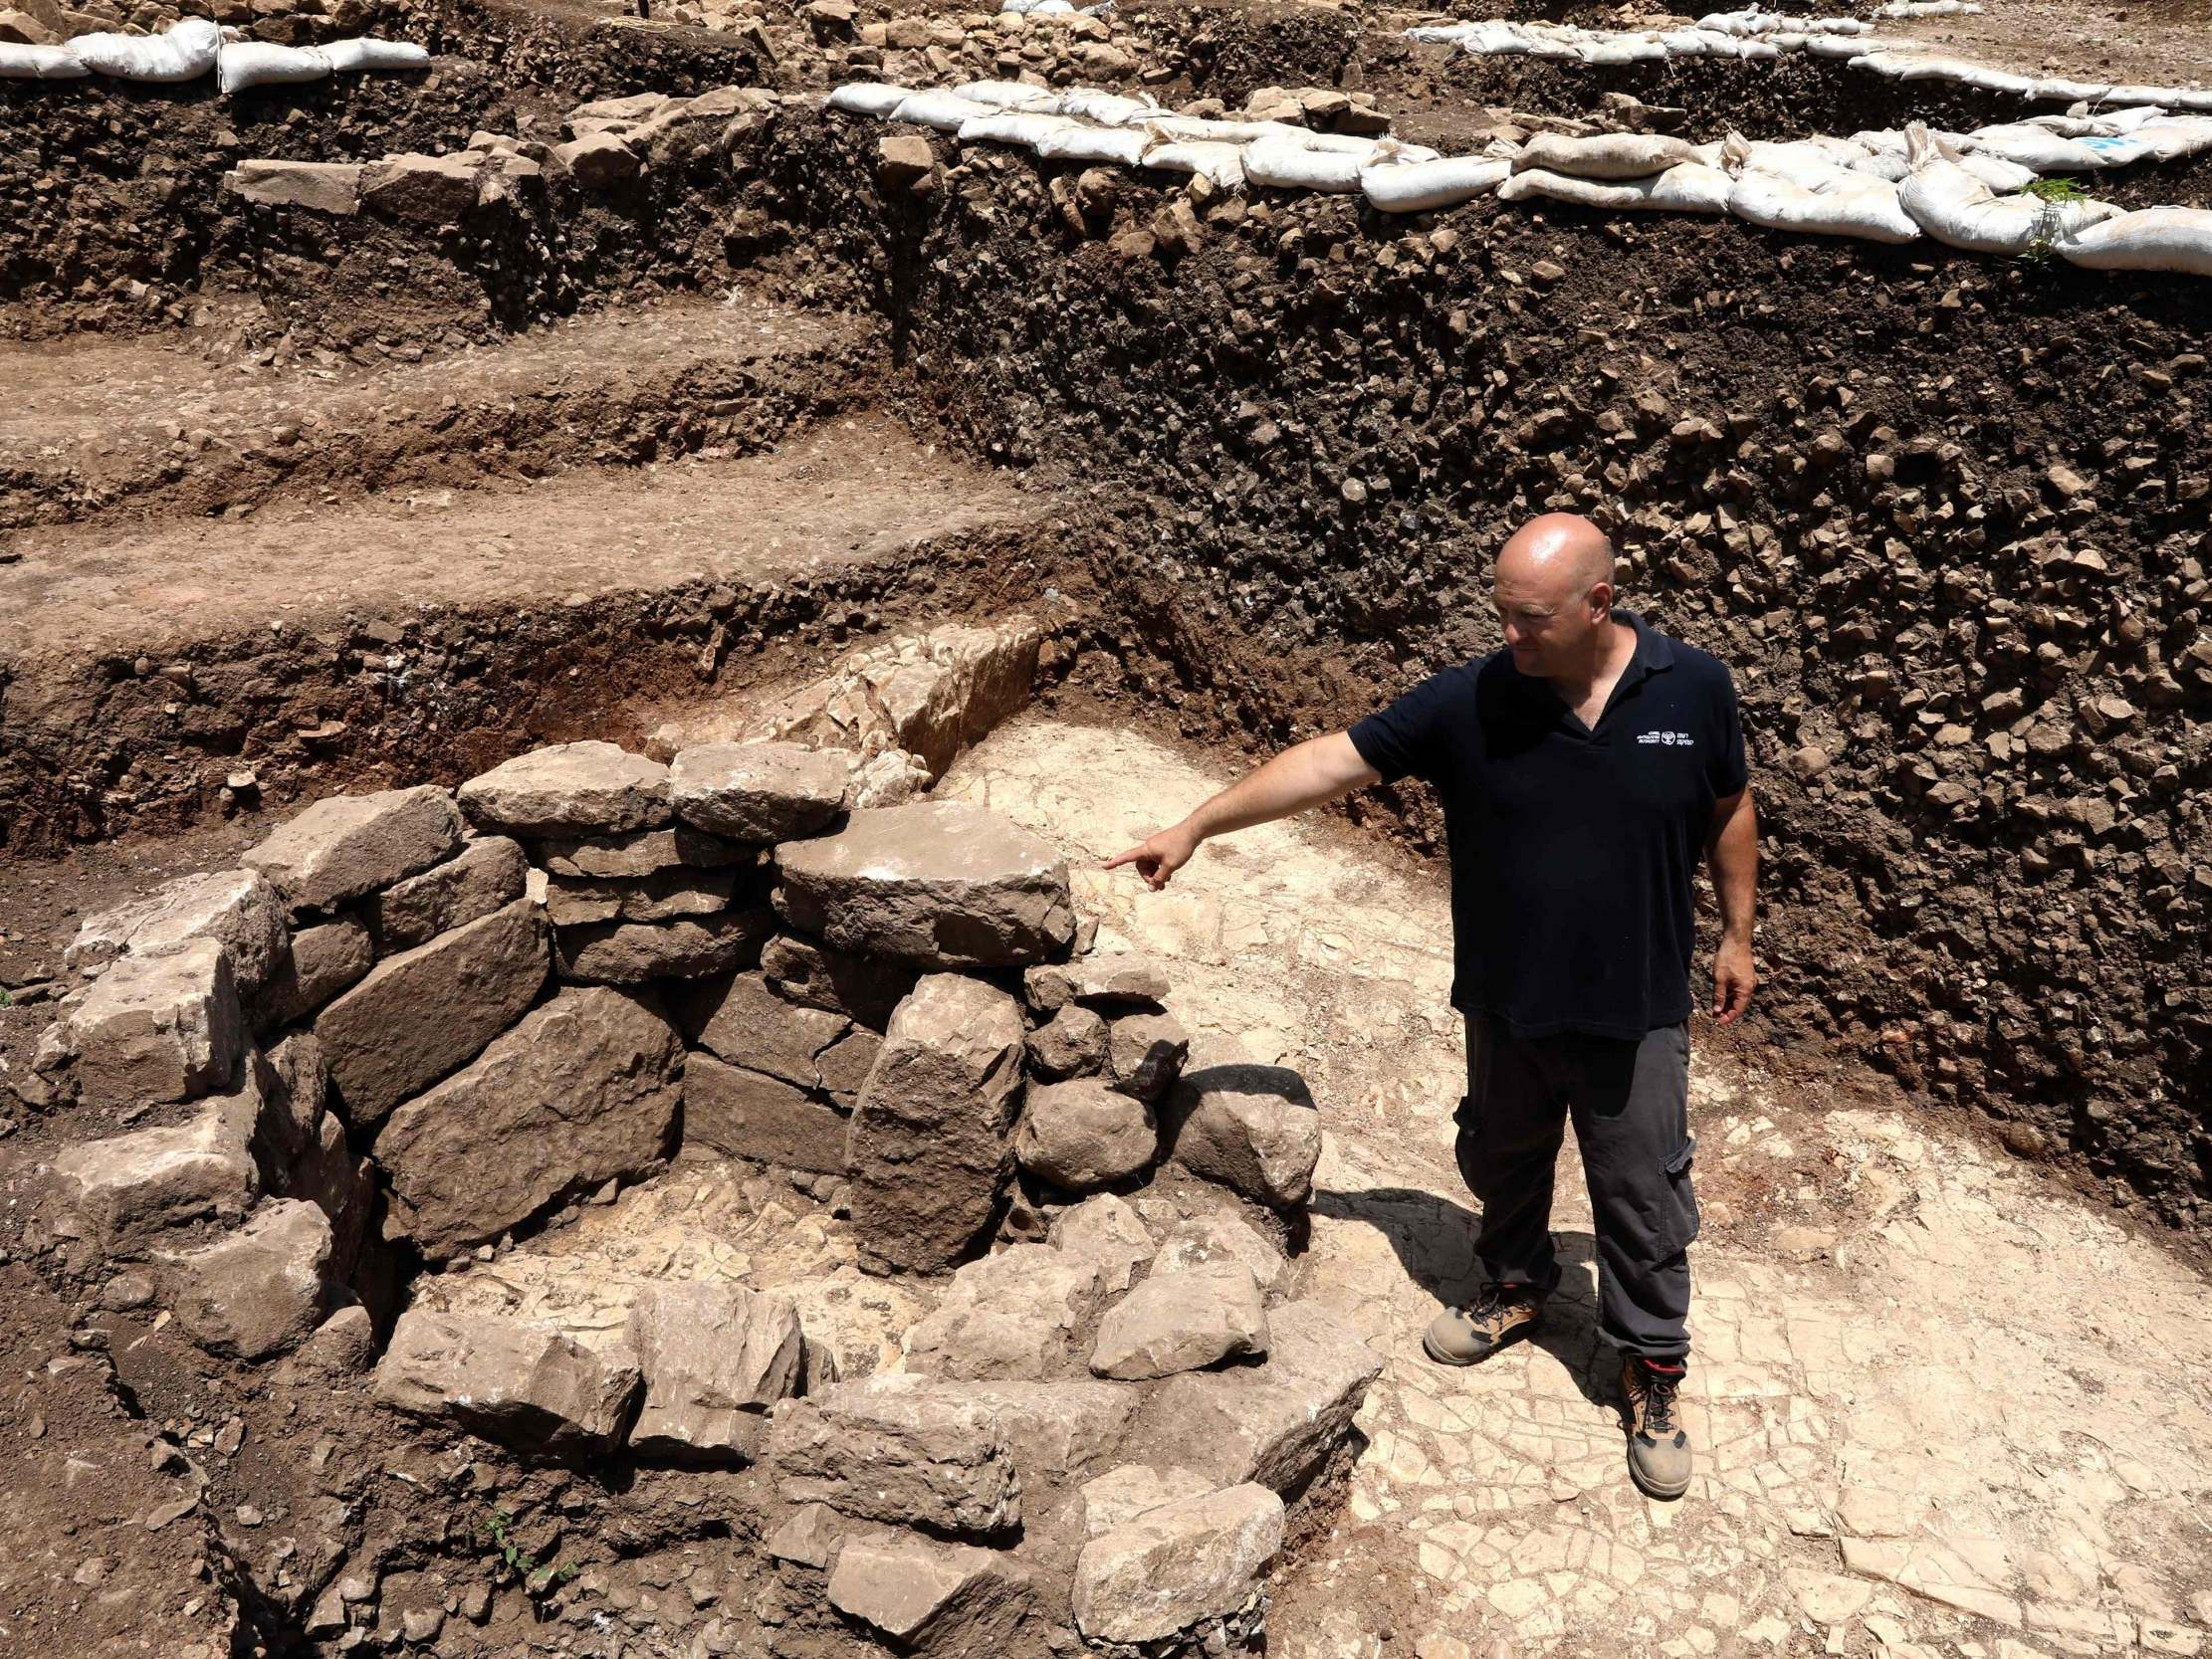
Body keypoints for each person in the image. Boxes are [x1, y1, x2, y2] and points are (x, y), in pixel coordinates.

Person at [1104, 513, 1757, 1502]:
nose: (1511, 636)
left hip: (1637, 1009)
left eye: (1531, 618)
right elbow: (1331, 760)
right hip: (1506, 1001)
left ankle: (1650, 1365)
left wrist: (1738, 933)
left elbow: (1727, 806)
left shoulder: (1692, 688)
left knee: (1642, 1196)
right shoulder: (1472, 699)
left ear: (1598, 604)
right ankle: (1513, 1284)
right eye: (1500, 614)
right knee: (1501, 1156)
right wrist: (1196, 823)